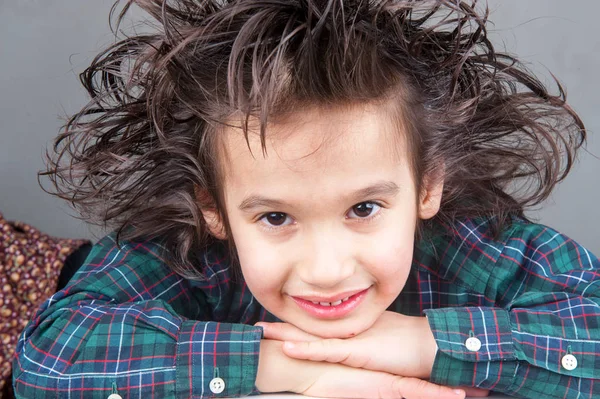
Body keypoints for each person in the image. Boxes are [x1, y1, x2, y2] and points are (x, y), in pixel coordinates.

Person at [11, 0, 599, 398]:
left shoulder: (475, 248)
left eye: (364, 209)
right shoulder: (188, 253)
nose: (326, 269)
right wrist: (288, 367)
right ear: (214, 205)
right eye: (275, 217)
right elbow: (50, 362)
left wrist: (422, 345)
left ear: (427, 185)